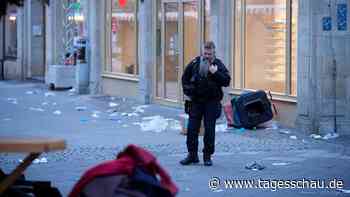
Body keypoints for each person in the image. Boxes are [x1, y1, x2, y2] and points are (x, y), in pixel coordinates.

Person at [180, 41, 231, 166]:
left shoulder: (218, 65)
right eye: (205, 53)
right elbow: (184, 79)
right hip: (196, 101)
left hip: (212, 102)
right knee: (192, 129)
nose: (207, 56)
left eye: (209, 54)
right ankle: (192, 155)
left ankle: (207, 156)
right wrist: (189, 92)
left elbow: (226, 81)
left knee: (209, 130)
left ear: (214, 53)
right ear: (202, 52)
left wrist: (216, 73)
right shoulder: (195, 63)